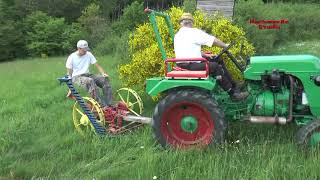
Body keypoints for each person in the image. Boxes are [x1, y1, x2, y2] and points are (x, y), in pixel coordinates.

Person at [174, 13, 249, 101]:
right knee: (215, 67)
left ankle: (234, 85)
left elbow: (187, 49)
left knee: (218, 59)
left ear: (181, 23)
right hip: (190, 64)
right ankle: (233, 93)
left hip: (184, 63)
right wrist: (224, 45)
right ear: (191, 23)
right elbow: (213, 41)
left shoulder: (178, 35)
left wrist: (204, 55)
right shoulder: (193, 32)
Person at [66, 40, 112, 107]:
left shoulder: (88, 54)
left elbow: (97, 65)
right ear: (79, 48)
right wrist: (70, 88)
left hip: (87, 74)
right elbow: (69, 73)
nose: (85, 51)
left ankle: (110, 103)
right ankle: (100, 105)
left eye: (86, 49)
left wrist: (103, 73)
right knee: (90, 81)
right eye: (84, 50)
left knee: (104, 79)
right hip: (77, 77)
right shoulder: (71, 57)